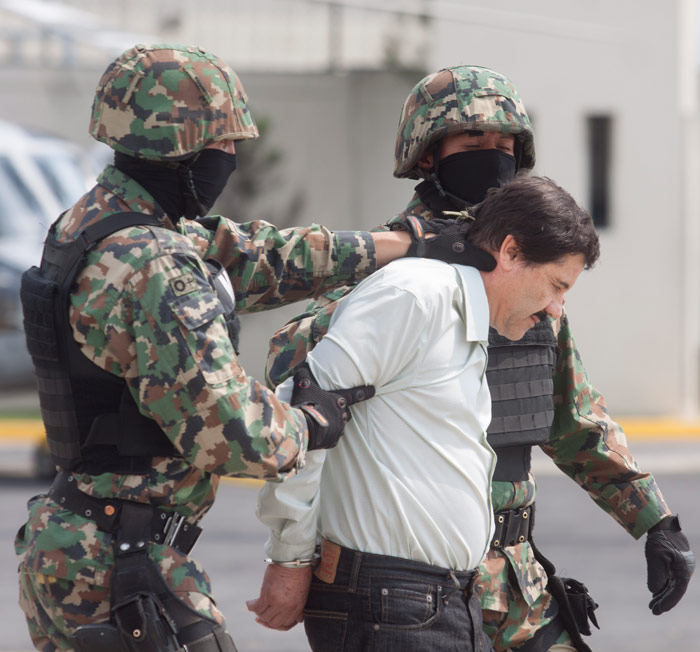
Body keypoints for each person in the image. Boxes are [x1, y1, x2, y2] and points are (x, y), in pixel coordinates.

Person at [14, 46, 496, 652]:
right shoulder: (153, 264)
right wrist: (313, 421)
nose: (231, 159)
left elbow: (258, 259)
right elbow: (233, 434)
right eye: (222, 145)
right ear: (182, 147)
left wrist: (403, 243)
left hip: (78, 539)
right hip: (116, 563)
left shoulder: (101, 223)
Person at [262, 65, 695, 652]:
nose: (491, 158)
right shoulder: (393, 262)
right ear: (427, 154)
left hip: (514, 574)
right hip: (413, 578)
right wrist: (418, 261)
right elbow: (298, 371)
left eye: (504, 146)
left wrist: (654, 521)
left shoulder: (528, 269)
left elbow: (572, 415)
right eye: (472, 144)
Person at [248, 176, 601, 652]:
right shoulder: (415, 297)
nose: (556, 310)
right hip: (389, 603)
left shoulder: (467, 318)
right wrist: (288, 561)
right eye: (557, 286)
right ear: (512, 252)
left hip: (434, 600)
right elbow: (310, 411)